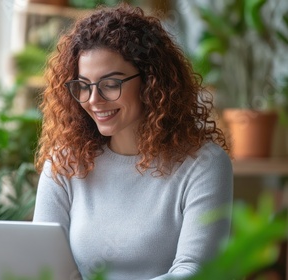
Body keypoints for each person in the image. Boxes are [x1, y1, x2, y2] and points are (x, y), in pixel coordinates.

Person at [32, 3, 233, 280]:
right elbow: (45, 267)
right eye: (83, 85)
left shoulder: (203, 165)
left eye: (111, 84)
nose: (93, 100)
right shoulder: (65, 163)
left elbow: (196, 271)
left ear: (151, 81)